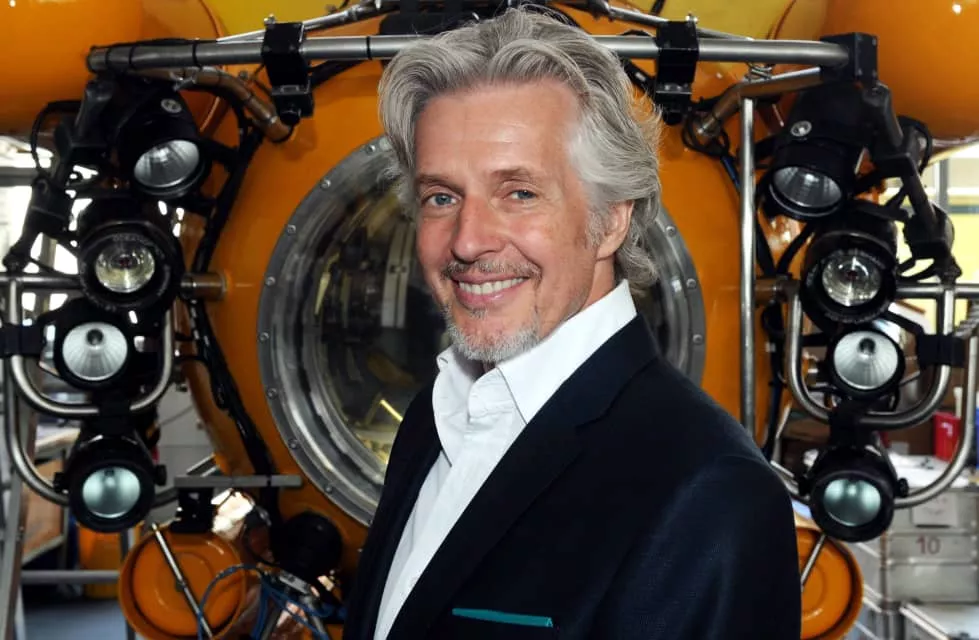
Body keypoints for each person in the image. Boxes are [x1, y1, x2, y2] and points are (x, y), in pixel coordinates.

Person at [343, 7, 801, 639]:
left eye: (519, 193)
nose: (468, 241)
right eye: (441, 197)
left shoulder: (709, 491)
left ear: (611, 219)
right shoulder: (435, 418)